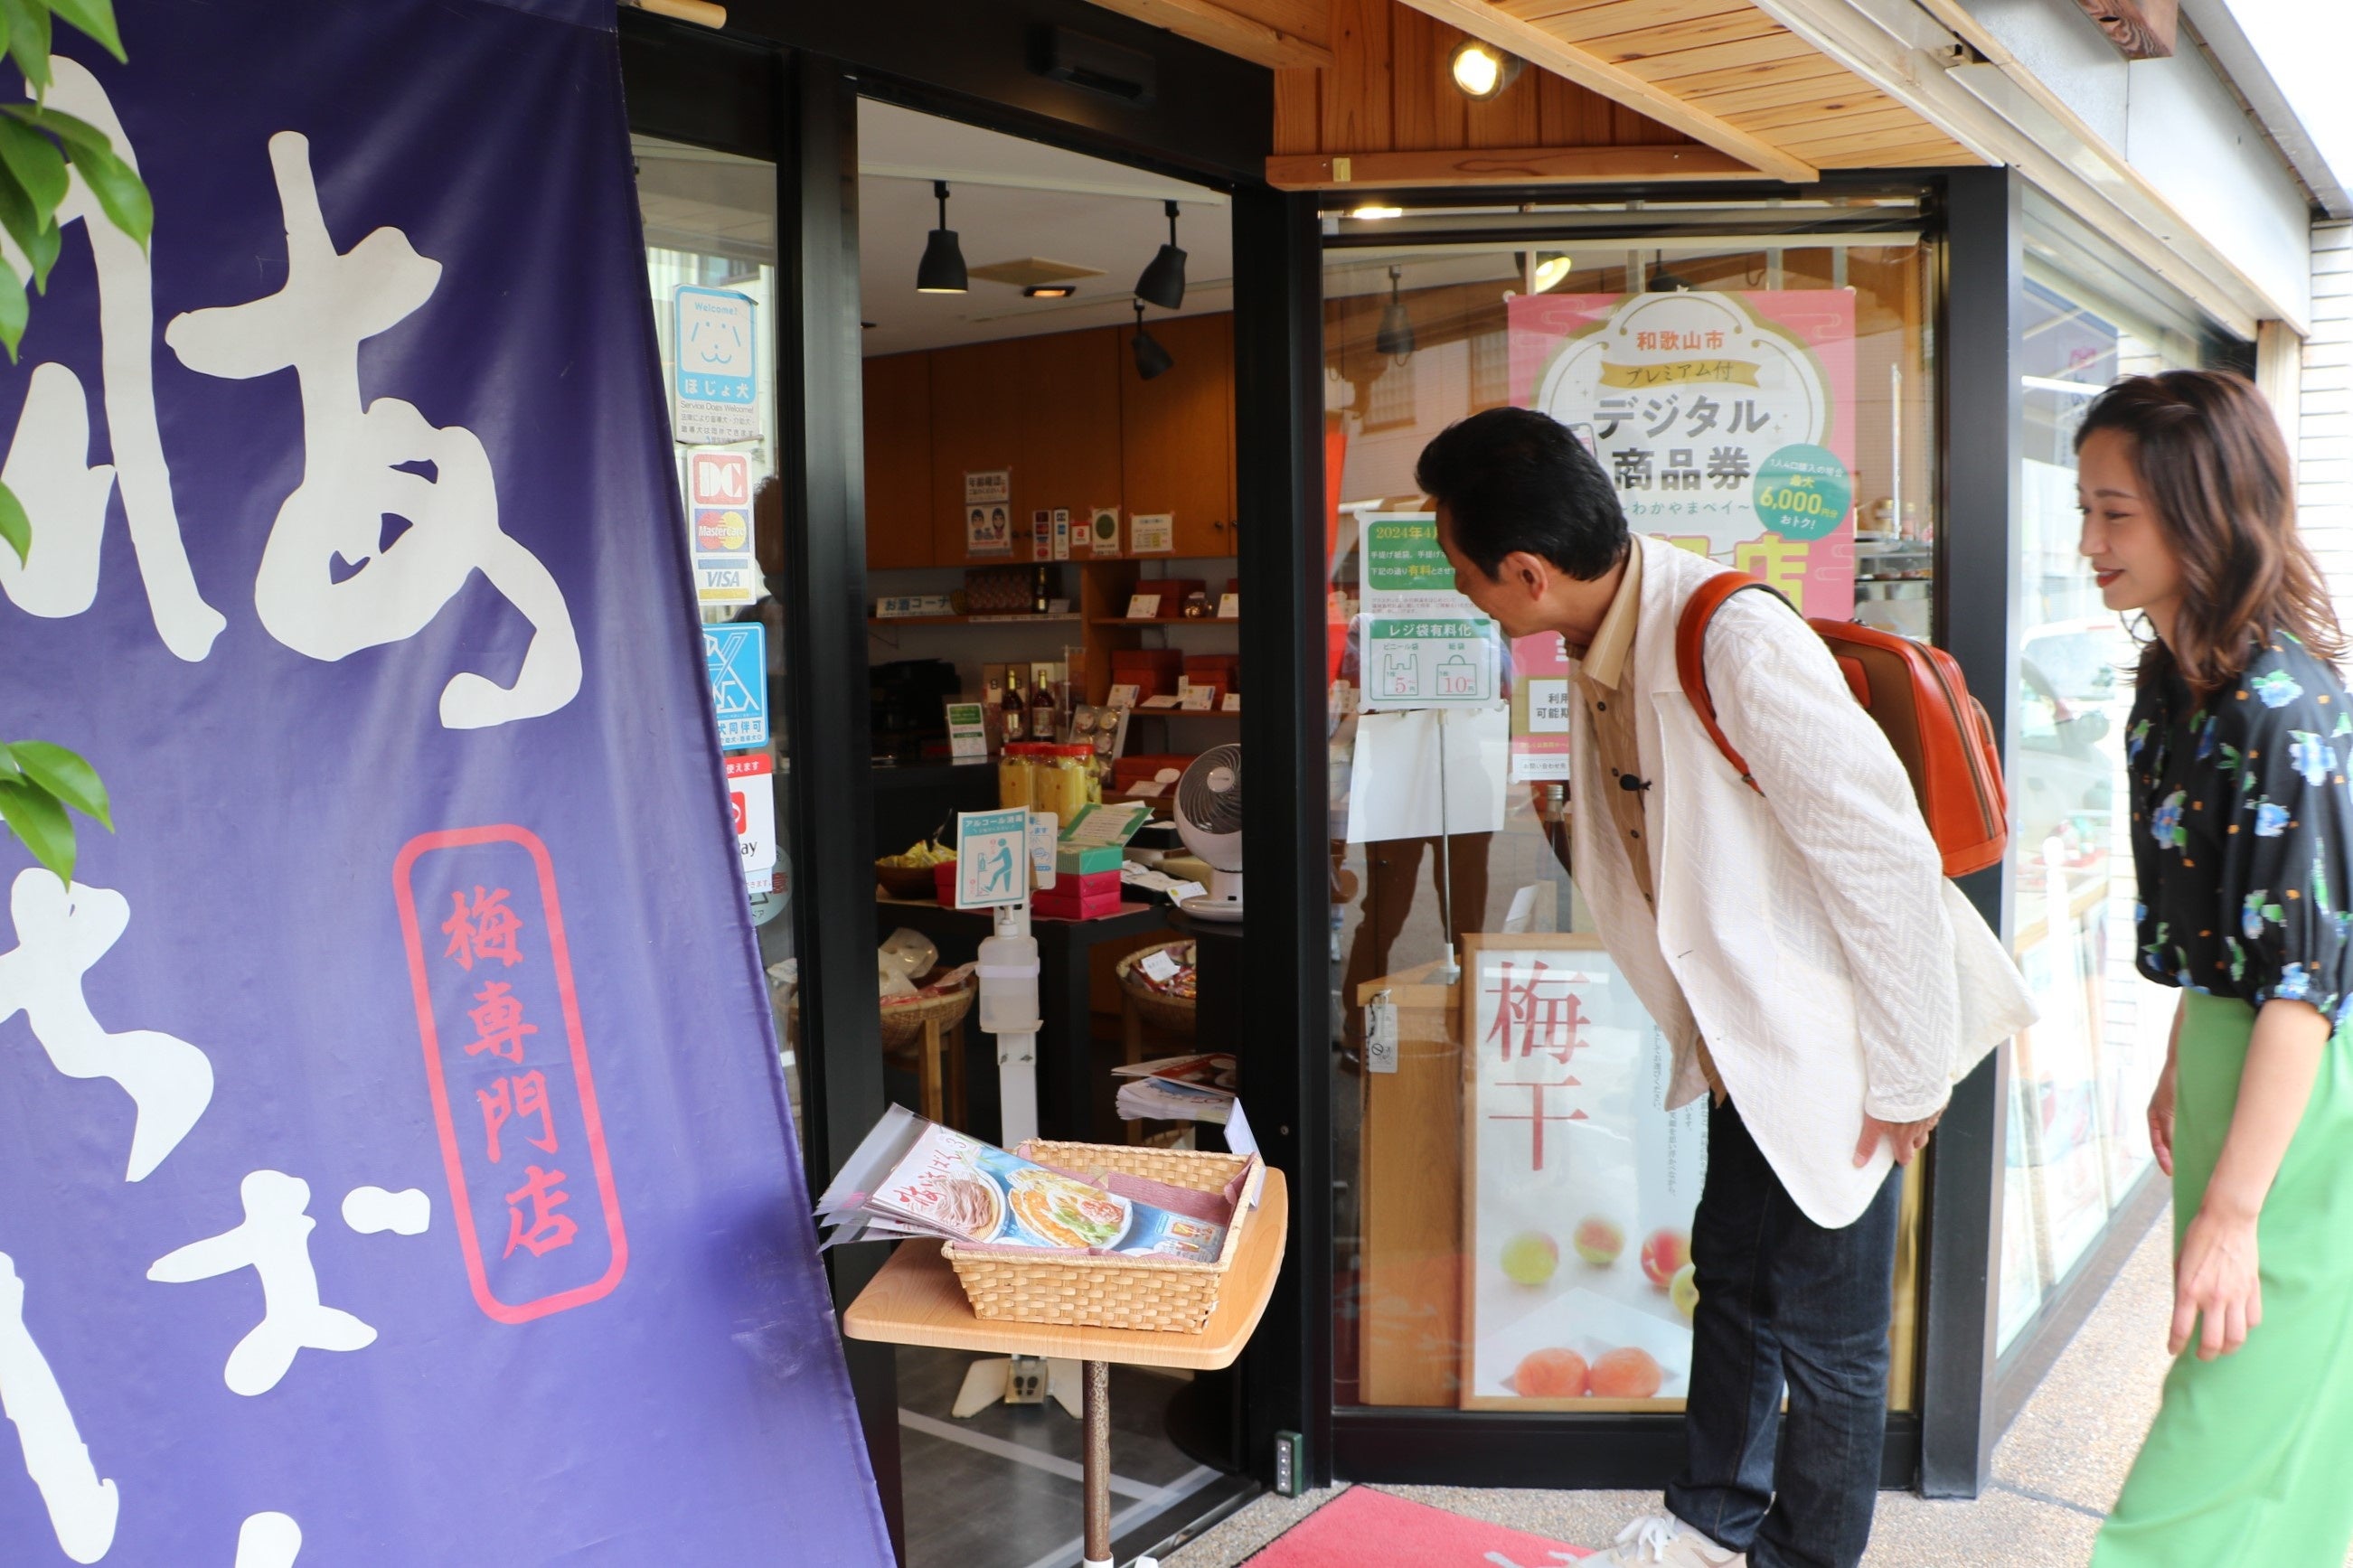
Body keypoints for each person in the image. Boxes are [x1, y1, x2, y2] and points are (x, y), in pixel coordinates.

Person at [1415, 408, 2033, 1568]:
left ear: (1526, 572)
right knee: (1737, 1284)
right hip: (1750, 1043)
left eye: (1461, 569)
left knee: (1830, 1337)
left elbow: (1880, 857)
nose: (1462, 592)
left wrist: (1905, 1073)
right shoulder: (1604, 639)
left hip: (1839, 1045)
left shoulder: (1731, 638)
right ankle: (1708, 1523)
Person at [2083, 371, 2353, 1566]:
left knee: (2222, 1404)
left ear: (2200, 516)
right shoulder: (2173, 679)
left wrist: (2231, 1211)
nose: (2084, 542)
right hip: (2231, 1048)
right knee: (2268, 1415)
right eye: (2082, 509)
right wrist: (2181, 1054)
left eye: (2111, 513)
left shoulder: (2273, 708)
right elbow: (2231, 933)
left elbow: (2302, 980)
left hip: (2293, 1079)